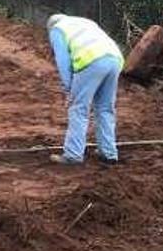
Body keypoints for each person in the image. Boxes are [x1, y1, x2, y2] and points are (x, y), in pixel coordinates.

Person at [46, 14, 124, 165]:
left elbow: (63, 61)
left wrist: (69, 89)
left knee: (78, 108)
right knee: (105, 108)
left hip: (90, 61)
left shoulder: (57, 30)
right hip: (114, 59)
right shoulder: (84, 22)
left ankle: (73, 154)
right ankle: (108, 153)